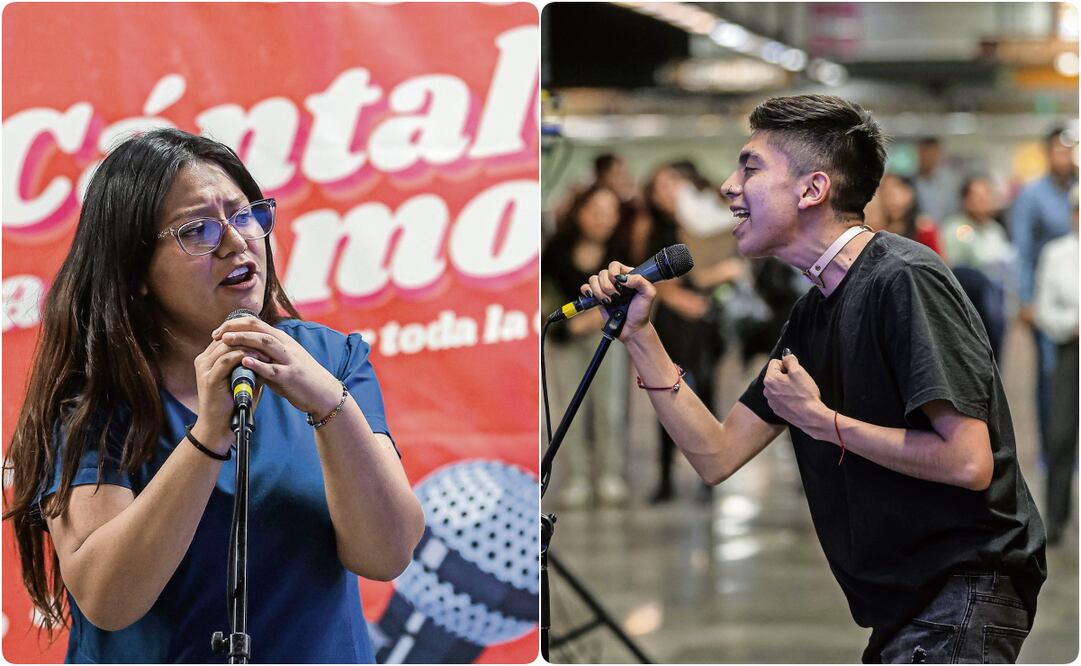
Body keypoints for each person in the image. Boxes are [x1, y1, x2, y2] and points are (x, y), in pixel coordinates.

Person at [579, 95, 1046, 663]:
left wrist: (824, 423)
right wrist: (640, 337)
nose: (729, 186)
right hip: (907, 606)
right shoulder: (815, 310)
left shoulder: (904, 279)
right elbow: (716, 453)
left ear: (811, 189)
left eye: (750, 167)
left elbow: (969, 462)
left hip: (962, 591)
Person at [3, 128, 425, 663]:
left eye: (245, 213)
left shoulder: (332, 360)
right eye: (197, 229)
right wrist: (207, 436)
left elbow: (387, 554)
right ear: (136, 274)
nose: (236, 241)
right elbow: (108, 599)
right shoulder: (96, 402)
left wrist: (328, 404)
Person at [541, 184, 632, 507]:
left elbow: (632, 295)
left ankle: (610, 474)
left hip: (607, 334)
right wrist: (567, 324)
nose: (602, 220)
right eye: (596, 212)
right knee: (569, 410)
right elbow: (544, 294)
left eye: (609, 213)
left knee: (609, 406)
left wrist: (591, 321)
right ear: (580, 212)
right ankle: (576, 476)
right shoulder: (556, 250)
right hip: (564, 339)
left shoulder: (622, 250)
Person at [1009, 127, 1079, 456]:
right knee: (1051, 376)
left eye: (1070, 150)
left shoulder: (1076, 190)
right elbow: (1021, 251)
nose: (1066, 157)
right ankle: (1051, 449)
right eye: (1060, 151)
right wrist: (1025, 300)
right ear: (1048, 153)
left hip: (1074, 297)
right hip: (1046, 298)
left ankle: (1071, 449)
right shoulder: (1033, 196)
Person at [1033, 184, 1080, 546]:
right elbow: (1044, 310)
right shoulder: (1057, 254)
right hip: (1069, 351)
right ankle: (1057, 520)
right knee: (1060, 435)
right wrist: (1072, 324)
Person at [941, 176, 1017, 360]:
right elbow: (953, 267)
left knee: (995, 362)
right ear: (965, 200)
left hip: (997, 306)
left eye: (986, 195)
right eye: (976, 196)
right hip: (969, 310)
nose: (983, 200)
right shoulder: (956, 228)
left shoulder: (995, 230)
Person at [912, 136, 961, 223]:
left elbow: (954, 209)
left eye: (932, 154)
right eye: (925, 153)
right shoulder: (911, 180)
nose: (928, 158)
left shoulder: (950, 181)